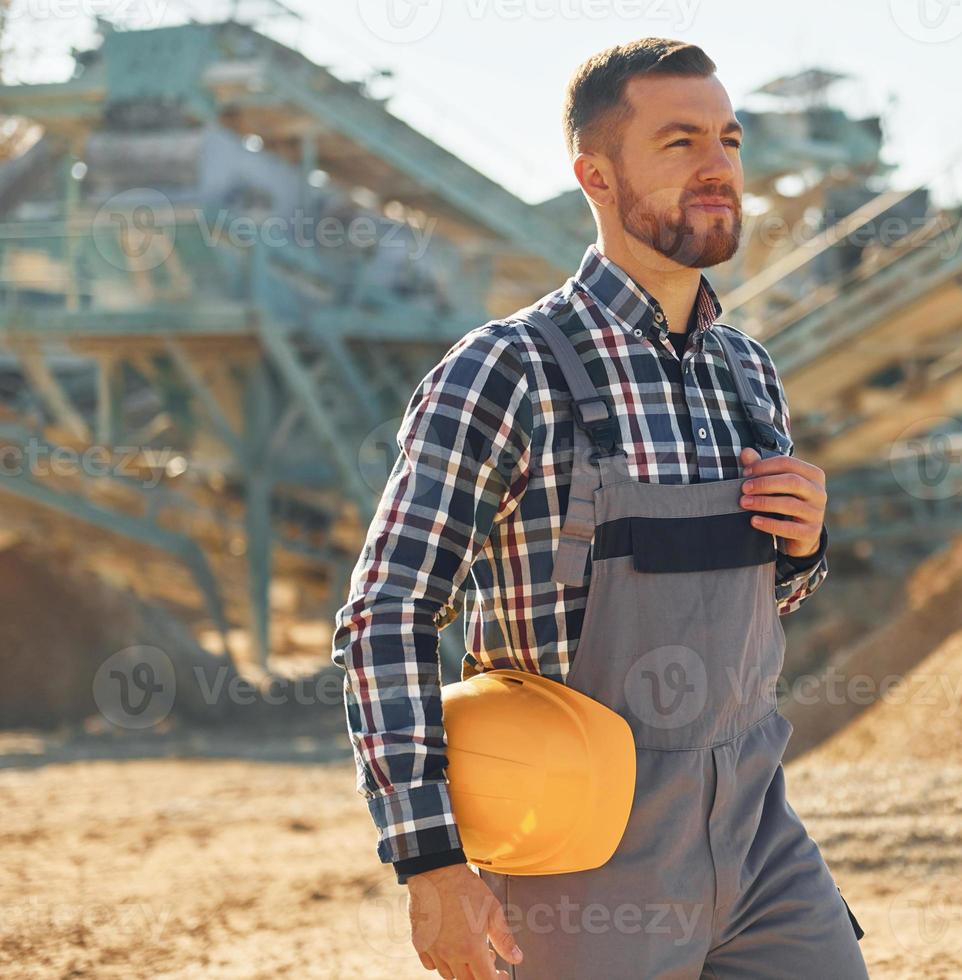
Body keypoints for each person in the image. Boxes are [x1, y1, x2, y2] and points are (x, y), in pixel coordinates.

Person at [332, 37, 866, 979]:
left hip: (755, 837)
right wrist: (430, 859)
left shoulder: (746, 372)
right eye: (680, 142)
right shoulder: (508, 371)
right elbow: (388, 613)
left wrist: (803, 546)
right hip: (579, 852)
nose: (719, 167)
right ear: (597, 175)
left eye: (730, 141)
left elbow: (750, 611)